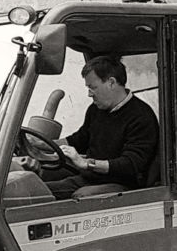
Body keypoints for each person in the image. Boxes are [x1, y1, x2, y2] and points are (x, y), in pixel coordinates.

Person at [43, 55, 158, 200]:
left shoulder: (141, 116)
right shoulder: (96, 109)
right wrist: (45, 144)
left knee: (42, 194)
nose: (89, 94)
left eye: (92, 87)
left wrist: (87, 164)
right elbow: (80, 140)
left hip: (121, 183)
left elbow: (131, 164)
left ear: (111, 83)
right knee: (37, 181)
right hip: (92, 176)